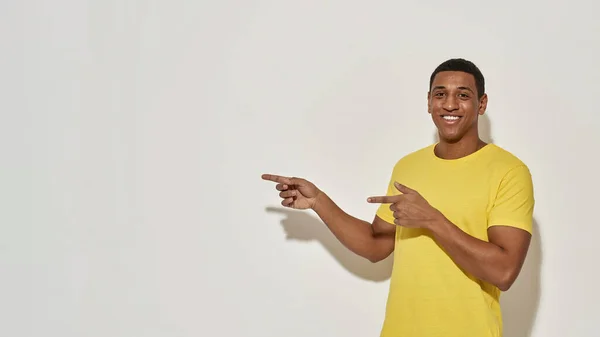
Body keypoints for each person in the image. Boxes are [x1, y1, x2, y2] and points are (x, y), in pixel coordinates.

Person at [261, 58, 534, 337]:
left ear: (482, 104)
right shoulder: (408, 167)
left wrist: (432, 219)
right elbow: (375, 245)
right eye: (440, 94)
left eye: (463, 95)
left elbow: (504, 271)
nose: (450, 104)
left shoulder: (509, 171)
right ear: (429, 102)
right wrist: (319, 201)